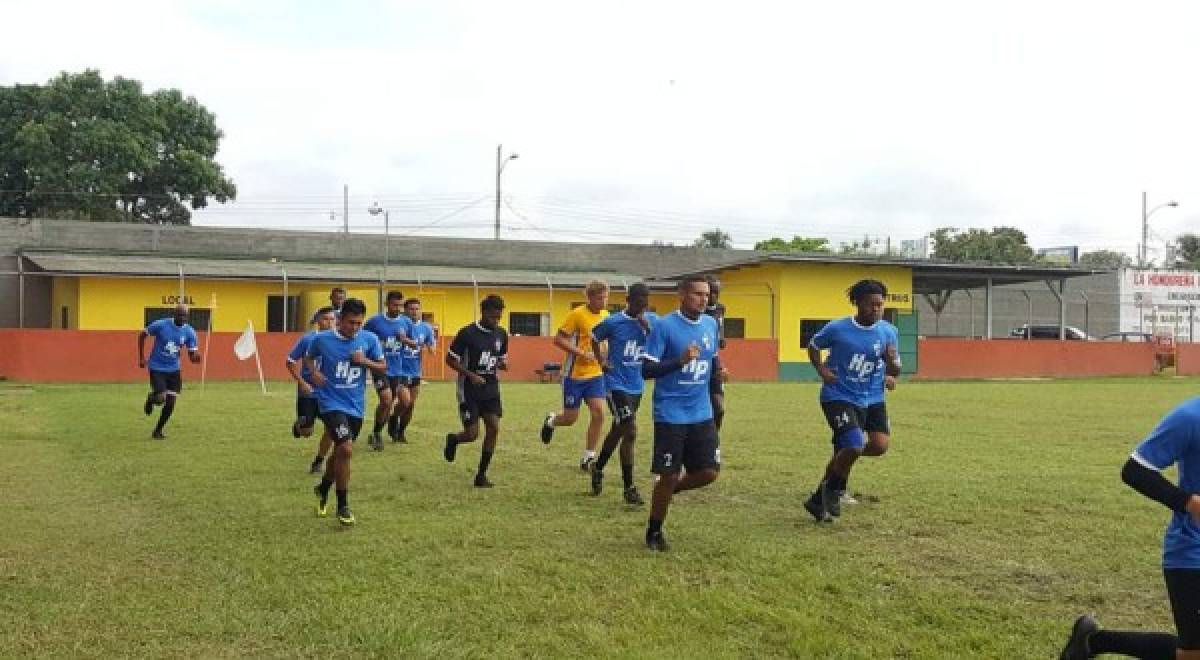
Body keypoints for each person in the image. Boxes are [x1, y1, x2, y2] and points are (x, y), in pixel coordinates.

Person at [1059, 399, 1200, 660]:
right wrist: (1189, 503)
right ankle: (1094, 641)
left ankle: (1092, 641)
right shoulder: (1190, 417)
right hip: (1193, 554)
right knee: (1193, 652)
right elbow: (1135, 470)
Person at [802, 279, 901, 524]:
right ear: (858, 304)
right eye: (870, 305)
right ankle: (834, 489)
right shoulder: (838, 329)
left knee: (879, 446)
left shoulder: (889, 331)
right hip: (840, 395)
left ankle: (819, 497)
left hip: (874, 397)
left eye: (880, 305)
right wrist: (822, 370)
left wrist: (891, 370)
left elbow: (895, 368)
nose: (876, 309)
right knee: (855, 446)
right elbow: (814, 345)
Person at [640, 275, 722, 551]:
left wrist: (718, 386)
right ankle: (654, 530)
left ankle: (667, 490)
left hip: (701, 412)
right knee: (669, 474)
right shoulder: (664, 327)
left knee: (709, 473)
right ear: (682, 295)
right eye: (698, 294)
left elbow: (711, 362)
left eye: (707, 294)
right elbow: (647, 370)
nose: (703, 299)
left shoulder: (711, 324)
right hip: (670, 414)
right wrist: (679, 361)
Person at [304, 298, 386, 526]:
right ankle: (343, 505)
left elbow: (383, 366)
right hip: (330, 403)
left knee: (341, 453)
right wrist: (313, 373)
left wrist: (365, 361)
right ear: (339, 320)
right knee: (347, 449)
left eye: (359, 323)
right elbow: (308, 358)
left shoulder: (369, 339)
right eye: (350, 322)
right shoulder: (322, 340)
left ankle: (322, 489)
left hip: (355, 406)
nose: (355, 328)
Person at [588, 283, 656, 506]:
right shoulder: (613, 322)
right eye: (637, 303)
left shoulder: (651, 321)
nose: (641, 308)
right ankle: (629, 488)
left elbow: (660, 343)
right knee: (630, 428)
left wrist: (648, 329)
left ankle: (598, 468)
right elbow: (595, 338)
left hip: (636, 384)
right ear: (628, 299)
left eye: (645, 304)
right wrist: (601, 361)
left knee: (619, 430)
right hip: (615, 383)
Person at [540, 280, 610, 471]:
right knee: (570, 418)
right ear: (589, 297)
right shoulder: (577, 314)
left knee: (599, 413)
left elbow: (606, 340)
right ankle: (552, 420)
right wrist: (580, 352)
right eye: (599, 298)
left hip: (595, 374)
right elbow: (558, 339)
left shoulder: (606, 315)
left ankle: (588, 457)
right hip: (574, 375)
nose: (603, 302)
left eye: (605, 297)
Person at [443, 295, 509, 488]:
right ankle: (454, 439)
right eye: (493, 317)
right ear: (483, 312)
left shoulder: (501, 334)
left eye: (499, 317)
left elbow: (500, 357)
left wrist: (503, 363)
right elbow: (450, 359)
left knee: (494, 427)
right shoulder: (467, 333)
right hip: (469, 388)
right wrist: (470, 375)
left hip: (490, 387)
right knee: (472, 434)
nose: (496, 321)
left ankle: (481, 475)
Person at [137, 304, 201, 439]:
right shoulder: (161, 325)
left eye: (185, 316)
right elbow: (142, 335)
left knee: (171, 402)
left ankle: (158, 431)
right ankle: (151, 398)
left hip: (174, 370)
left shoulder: (189, 332)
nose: (182, 318)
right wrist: (142, 357)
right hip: (157, 367)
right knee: (160, 399)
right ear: (174, 313)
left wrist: (195, 358)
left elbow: (192, 354)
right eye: (180, 315)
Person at [286, 306, 337, 474]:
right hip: (308, 392)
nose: (329, 323)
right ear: (318, 321)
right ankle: (300, 425)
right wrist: (302, 382)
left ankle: (318, 461)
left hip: (329, 394)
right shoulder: (307, 340)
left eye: (332, 319)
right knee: (307, 431)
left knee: (331, 428)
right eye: (325, 319)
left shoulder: (339, 340)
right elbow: (290, 361)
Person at [362, 291, 412, 451]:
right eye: (394, 305)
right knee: (386, 400)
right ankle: (376, 434)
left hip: (397, 369)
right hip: (379, 367)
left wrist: (405, 340)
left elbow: (414, 344)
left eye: (400, 305)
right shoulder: (374, 322)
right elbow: (362, 338)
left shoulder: (406, 322)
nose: (397, 308)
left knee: (405, 402)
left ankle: (389, 422)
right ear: (387, 304)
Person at [391, 297, 437, 443]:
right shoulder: (400, 325)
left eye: (417, 309)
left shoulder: (426, 328)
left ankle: (401, 432)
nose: (414, 312)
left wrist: (430, 346)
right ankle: (393, 418)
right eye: (411, 309)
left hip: (415, 371)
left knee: (411, 405)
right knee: (405, 401)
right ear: (405, 310)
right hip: (400, 370)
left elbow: (432, 349)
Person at [704, 275, 729, 431]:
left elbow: (719, 324)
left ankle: (713, 441)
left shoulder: (720, 308)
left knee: (719, 409)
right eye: (711, 291)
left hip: (714, 361)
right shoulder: (698, 310)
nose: (714, 295)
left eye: (717, 292)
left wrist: (722, 337)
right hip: (698, 362)